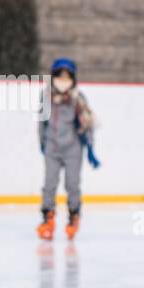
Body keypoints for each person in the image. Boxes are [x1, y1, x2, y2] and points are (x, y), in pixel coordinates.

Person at [36, 58, 98, 241]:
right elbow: (41, 122)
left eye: (67, 77)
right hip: (52, 148)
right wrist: (42, 142)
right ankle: (48, 218)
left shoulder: (78, 98)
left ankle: (74, 216)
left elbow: (88, 124)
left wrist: (90, 148)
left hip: (73, 149)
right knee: (49, 185)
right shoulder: (46, 96)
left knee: (72, 184)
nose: (63, 81)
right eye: (59, 77)